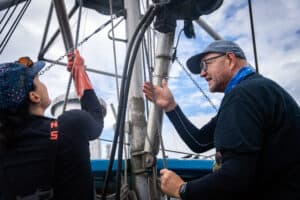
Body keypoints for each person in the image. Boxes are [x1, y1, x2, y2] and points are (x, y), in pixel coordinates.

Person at [143, 40, 300, 200]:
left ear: (230, 59)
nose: (202, 74)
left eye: (205, 65)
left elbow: (236, 176)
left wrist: (182, 189)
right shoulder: (256, 90)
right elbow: (199, 142)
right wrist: (170, 106)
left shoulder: (243, 95)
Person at [0, 50, 104, 199]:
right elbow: (95, 116)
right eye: (38, 80)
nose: (43, 84)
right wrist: (80, 72)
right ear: (34, 96)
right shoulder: (70, 125)